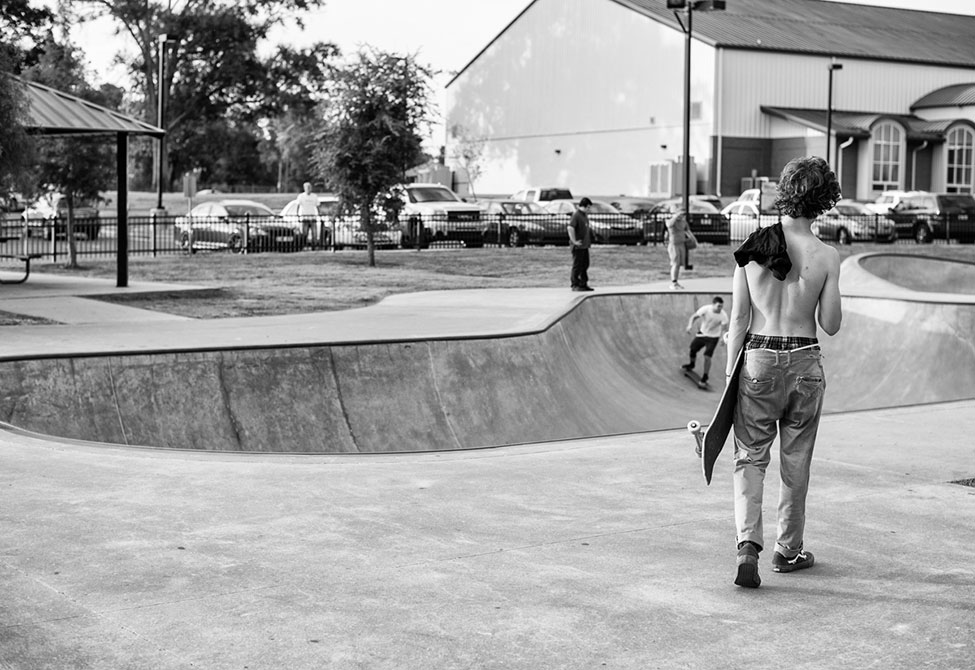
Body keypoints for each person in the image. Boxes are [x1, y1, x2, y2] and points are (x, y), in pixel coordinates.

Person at [725, 156, 842, 589]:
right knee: (796, 462)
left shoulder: (752, 249)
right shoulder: (826, 255)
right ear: (824, 201)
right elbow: (830, 324)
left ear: (784, 193)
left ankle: (747, 547)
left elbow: (737, 321)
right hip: (805, 361)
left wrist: (728, 380)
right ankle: (787, 550)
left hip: (757, 359)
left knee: (750, 456)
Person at [682, 296, 729, 385]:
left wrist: (723, 338)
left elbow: (724, 329)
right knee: (692, 350)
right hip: (702, 334)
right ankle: (691, 364)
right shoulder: (706, 309)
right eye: (718, 306)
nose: (720, 308)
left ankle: (705, 376)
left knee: (707, 357)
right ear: (713, 305)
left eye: (721, 306)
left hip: (713, 337)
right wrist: (690, 325)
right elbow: (694, 317)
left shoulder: (723, 315)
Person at [567, 197, 594, 291]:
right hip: (578, 246)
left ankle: (583, 283)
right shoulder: (576, 215)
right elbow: (570, 228)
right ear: (584, 206)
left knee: (585, 264)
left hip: (584, 245)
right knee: (577, 266)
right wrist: (574, 241)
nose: (589, 210)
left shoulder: (584, 215)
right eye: (588, 207)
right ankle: (575, 284)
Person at [666, 210, 689, 289]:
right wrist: (675, 217)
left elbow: (687, 230)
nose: (681, 216)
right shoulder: (671, 221)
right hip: (674, 245)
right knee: (675, 263)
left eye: (683, 214)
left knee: (678, 264)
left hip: (681, 244)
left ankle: (676, 281)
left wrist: (693, 239)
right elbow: (669, 225)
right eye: (680, 214)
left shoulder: (683, 222)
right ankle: (673, 283)